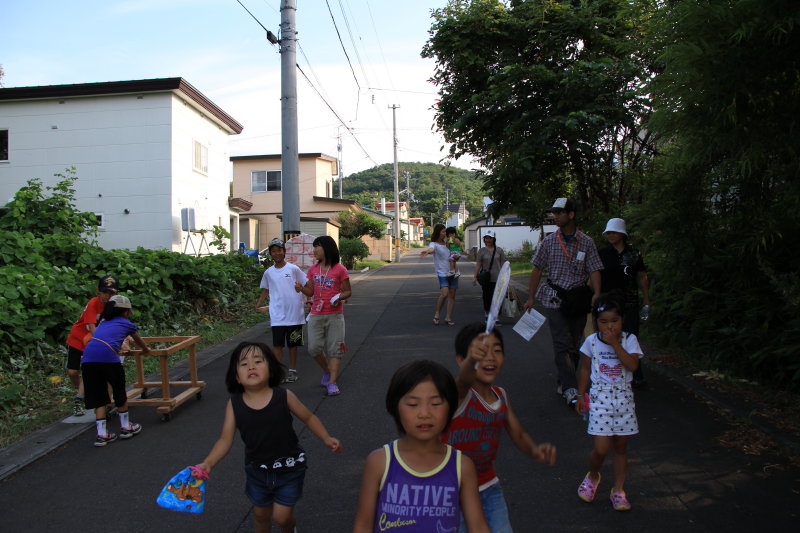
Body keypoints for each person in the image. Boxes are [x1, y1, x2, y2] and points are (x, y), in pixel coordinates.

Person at [194, 342, 342, 533]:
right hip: (258, 471)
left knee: (282, 517)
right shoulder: (234, 404)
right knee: (261, 515)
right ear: (237, 377)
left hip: (290, 468)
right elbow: (225, 439)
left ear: (271, 369)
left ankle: (290, 527)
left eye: (257, 361)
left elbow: (308, 417)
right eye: (244, 364)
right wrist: (209, 462)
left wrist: (326, 438)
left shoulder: (284, 396)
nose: (251, 366)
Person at [443, 323, 556, 532]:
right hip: (451, 493)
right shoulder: (459, 395)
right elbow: (462, 381)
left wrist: (534, 450)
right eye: (480, 352)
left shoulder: (501, 395)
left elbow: (518, 433)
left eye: (497, 350)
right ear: (461, 360)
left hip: (489, 487)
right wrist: (471, 362)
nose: (490, 357)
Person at [353, 360, 489, 533]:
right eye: (412, 404)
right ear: (394, 407)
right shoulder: (380, 462)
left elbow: (477, 525)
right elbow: (363, 525)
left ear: (451, 407)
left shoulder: (462, 466)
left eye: (436, 403)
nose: (425, 414)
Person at [523, 198, 603, 407]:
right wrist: (531, 297)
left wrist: (597, 294)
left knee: (576, 344)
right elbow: (537, 269)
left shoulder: (587, 242)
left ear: (571, 214)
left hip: (578, 299)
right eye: (554, 213)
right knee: (561, 342)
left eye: (559, 212)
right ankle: (570, 388)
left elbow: (594, 268)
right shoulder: (549, 241)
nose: (556, 216)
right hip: (554, 298)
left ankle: (564, 379)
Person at [574, 295, 643, 511]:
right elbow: (585, 369)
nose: (609, 325)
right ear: (596, 322)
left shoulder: (630, 340)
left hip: (623, 399)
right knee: (601, 448)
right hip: (599, 399)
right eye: (603, 321)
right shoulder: (591, 341)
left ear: (622, 320)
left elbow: (632, 365)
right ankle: (593, 475)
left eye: (614, 320)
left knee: (621, 448)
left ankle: (619, 490)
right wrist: (580, 394)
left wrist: (615, 344)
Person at [80, 294, 149, 446]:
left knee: (99, 396)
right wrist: (145, 349)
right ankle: (125, 426)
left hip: (88, 360)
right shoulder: (126, 323)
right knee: (119, 391)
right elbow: (139, 340)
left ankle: (102, 434)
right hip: (108, 360)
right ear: (125, 311)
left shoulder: (103, 323)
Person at [598, 218, 651, 387]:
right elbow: (595, 275)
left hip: (629, 301)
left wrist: (646, 298)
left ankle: (636, 374)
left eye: (614, 232)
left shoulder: (634, 253)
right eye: (608, 232)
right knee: (608, 336)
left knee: (631, 337)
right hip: (609, 303)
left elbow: (641, 276)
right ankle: (611, 373)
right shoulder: (602, 253)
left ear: (622, 234)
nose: (610, 235)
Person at [298, 235, 352, 396]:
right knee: (314, 348)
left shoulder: (340, 269)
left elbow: (348, 291)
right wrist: (301, 288)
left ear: (327, 248)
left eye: (317, 246)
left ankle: (332, 382)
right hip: (316, 314)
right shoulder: (313, 270)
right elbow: (311, 291)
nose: (314, 250)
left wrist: (338, 297)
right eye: (314, 247)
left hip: (335, 315)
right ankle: (328, 371)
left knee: (335, 350)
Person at [64, 275, 119, 417]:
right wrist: (101, 343)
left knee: (90, 371)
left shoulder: (113, 306)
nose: (108, 296)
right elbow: (91, 325)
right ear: (98, 291)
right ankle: (84, 392)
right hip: (78, 339)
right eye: (105, 292)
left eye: (111, 293)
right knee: (72, 372)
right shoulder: (93, 303)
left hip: (92, 343)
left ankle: (80, 399)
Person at [255, 238, 308, 384]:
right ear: (270, 254)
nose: (277, 253)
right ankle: (278, 372)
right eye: (273, 251)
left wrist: (305, 292)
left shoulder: (293, 269)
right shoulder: (268, 272)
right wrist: (259, 303)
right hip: (277, 314)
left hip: (295, 314)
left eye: (279, 250)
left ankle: (292, 371)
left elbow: (305, 284)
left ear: (284, 251)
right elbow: (266, 289)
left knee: (293, 344)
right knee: (277, 345)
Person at [420, 223, 459, 326]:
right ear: (438, 232)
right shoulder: (434, 244)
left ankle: (448, 317)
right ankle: (437, 313)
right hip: (442, 273)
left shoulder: (449, 243)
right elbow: (431, 249)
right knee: (445, 294)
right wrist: (427, 251)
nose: (445, 233)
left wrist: (456, 257)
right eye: (443, 231)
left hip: (453, 272)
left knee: (452, 296)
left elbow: (456, 254)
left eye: (445, 231)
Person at [472, 231, 507, 317]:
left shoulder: (499, 250)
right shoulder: (481, 251)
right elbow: (478, 264)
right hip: (486, 278)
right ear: (484, 239)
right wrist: (475, 277)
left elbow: (503, 264)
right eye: (486, 238)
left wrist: (505, 276)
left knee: (497, 297)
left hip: (498, 278)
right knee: (486, 296)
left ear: (494, 239)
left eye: (490, 238)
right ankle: (487, 313)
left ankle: (496, 316)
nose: (488, 240)